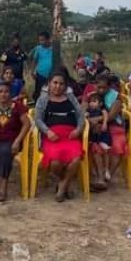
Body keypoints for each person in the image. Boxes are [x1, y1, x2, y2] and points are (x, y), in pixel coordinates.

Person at [34, 71, 85, 202]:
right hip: (52, 137)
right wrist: (48, 132)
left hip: (71, 136)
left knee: (75, 160)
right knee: (55, 163)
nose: (58, 86)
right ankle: (66, 183)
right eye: (55, 83)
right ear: (49, 84)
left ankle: (62, 187)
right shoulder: (43, 99)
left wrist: (79, 130)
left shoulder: (71, 98)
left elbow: (80, 116)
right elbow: (38, 119)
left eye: (61, 84)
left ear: (65, 85)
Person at [97, 73, 126, 186]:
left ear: (109, 87)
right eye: (98, 87)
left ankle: (107, 176)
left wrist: (97, 119)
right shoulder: (93, 95)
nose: (101, 90)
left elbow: (111, 116)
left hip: (114, 127)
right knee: (94, 145)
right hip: (98, 127)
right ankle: (100, 176)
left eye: (104, 87)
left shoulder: (116, 97)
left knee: (117, 146)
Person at [85, 92, 111, 190]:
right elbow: (84, 116)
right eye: (90, 102)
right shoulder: (89, 110)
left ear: (100, 103)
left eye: (94, 102)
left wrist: (104, 123)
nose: (92, 104)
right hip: (93, 136)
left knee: (105, 150)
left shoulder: (102, 110)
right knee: (95, 148)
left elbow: (105, 115)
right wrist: (86, 116)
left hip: (103, 135)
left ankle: (106, 170)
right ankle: (97, 174)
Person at [29, 31, 54, 103]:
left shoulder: (54, 48)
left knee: (50, 92)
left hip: (51, 75)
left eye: (43, 40)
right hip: (40, 74)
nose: (41, 42)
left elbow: (59, 60)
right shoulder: (38, 49)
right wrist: (32, 71)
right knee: (39, 91)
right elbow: (34, 60)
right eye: (40, 40)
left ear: (48, 39)